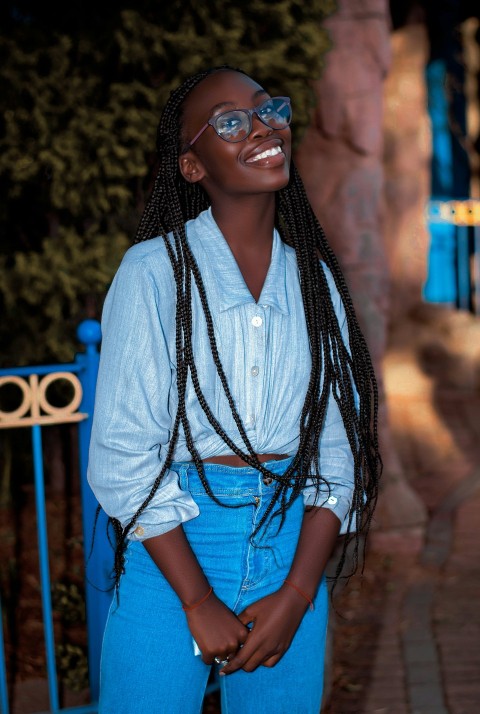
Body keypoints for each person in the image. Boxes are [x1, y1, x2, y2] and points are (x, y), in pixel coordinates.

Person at [87, 65, 380, 714]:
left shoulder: (314, 283)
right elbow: (123, 455)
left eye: (268, 108)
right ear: (192, 167)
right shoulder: (155, 275)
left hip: (289, 549)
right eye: (229, 122)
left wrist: (300, 591)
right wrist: (195, 598)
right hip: (177, 551)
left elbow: (338, 448)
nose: (262, 126)